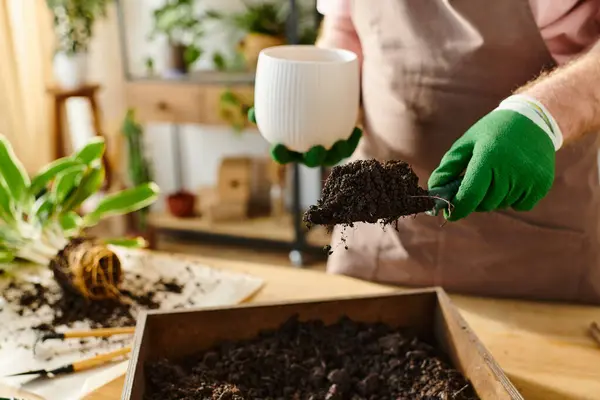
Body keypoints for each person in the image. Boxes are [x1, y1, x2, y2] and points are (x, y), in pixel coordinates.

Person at [302, 0, 600, 304]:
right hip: (378, 242)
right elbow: (343, 24)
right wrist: (328, 99)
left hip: (536, 264)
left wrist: (541, 114)